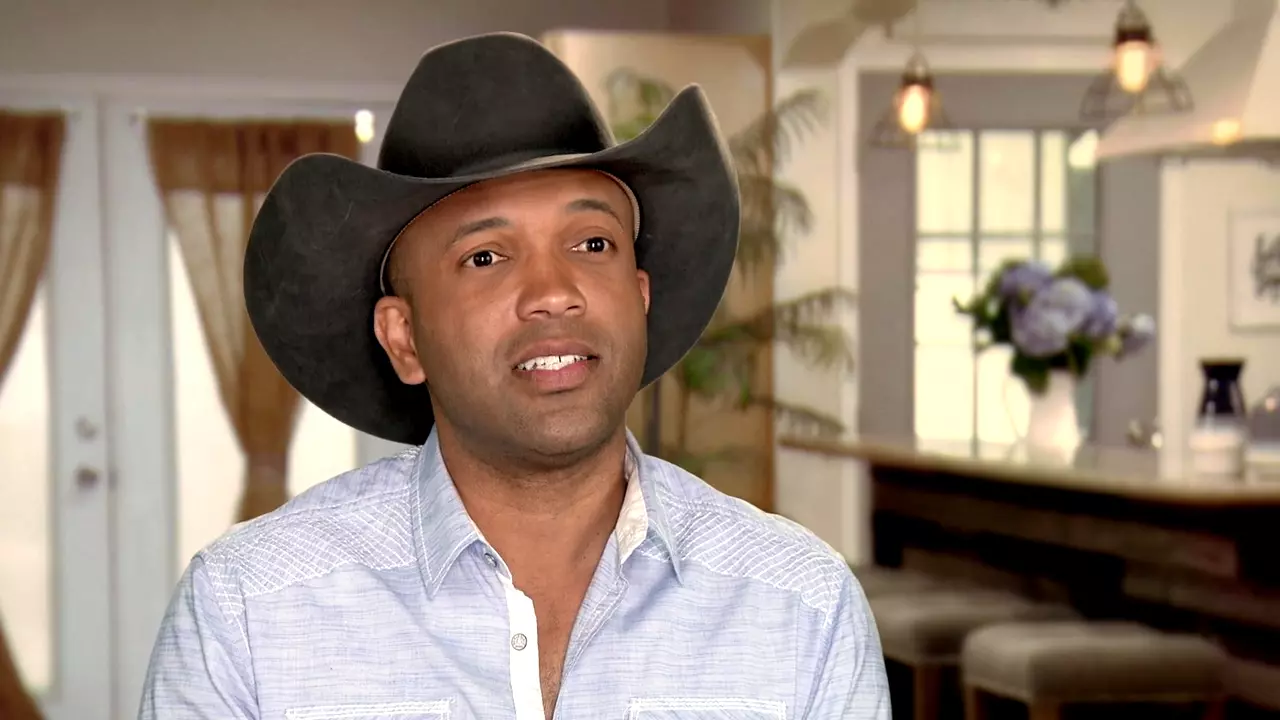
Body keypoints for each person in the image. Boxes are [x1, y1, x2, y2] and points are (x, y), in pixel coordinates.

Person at [138, 31, 890, 720]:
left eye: (592, 243)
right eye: (485, 257)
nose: (554, 292)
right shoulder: (247, 615)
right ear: (405, 338)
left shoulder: (801, 608)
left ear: (640, 296)